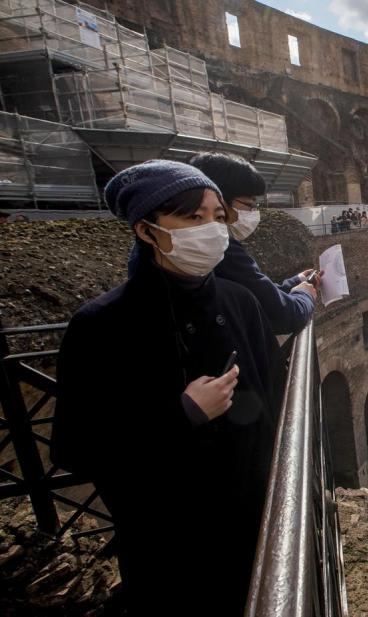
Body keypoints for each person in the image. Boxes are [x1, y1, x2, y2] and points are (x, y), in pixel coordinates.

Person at [52, 160, 283, 617]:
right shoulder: (101, 326)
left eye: (218, 217)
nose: (212, 229)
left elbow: (275, 399)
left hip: (252, 519)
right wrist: (183, 414)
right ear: (147, 230)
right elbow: (75, 450)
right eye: (192, 218)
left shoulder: (240, 302)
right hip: (168, 540)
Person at [128, 153, 318, 334]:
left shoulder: (152, 253)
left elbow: (255, 294)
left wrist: (293, 283)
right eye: (249, 204)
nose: (253, 212)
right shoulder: (212, 248)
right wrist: (305, 295)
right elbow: (280, 314)